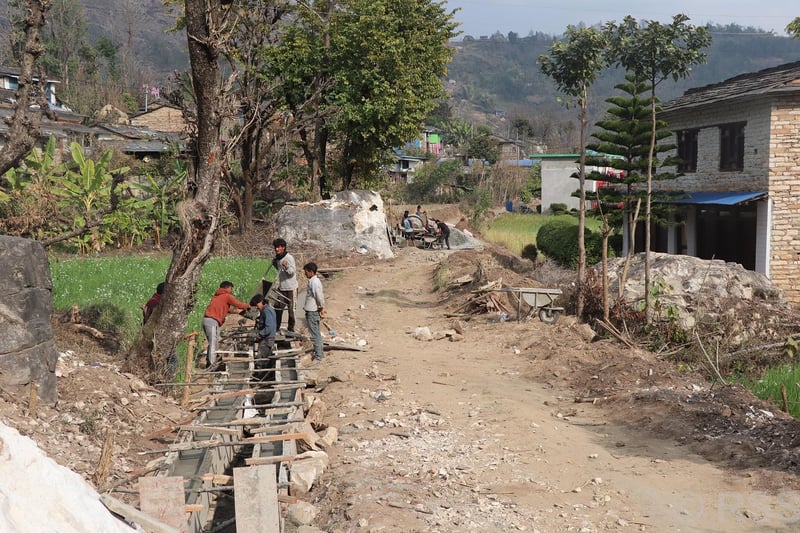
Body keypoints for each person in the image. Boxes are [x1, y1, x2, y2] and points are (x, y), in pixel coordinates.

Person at [202, 281, 250, 367]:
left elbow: (226, 309)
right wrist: (249, 305)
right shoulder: (227, 296)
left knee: (213, 342)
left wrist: (236, 312)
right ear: (227, 288)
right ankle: (212, 364)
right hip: (212, 321)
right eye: (231, 289)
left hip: (208, 321)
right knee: (213, 343)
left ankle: (210, 361)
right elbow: (238, 304)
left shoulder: (217, 296)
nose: (232, 291)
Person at [271, 238, 298, 332]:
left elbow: (292, 272)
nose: (276, 249)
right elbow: (279, 270)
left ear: (283, 247)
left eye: (278, 247)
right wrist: (275, 264)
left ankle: (291, 329)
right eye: (275, 247)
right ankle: (276, 328)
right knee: (278, 308)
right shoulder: (278, 259)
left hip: (291, 288)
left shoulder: (289, 258)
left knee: (291, 310)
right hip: (282, 288)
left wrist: (287, 266)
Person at [249, 293, 277, 380]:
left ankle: (260, 378)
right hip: (267, 338)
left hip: (267, 339)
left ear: (261, 302)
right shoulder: (266, 310)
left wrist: (260, 334)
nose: (257, 307)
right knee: (264, 358)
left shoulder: (267, 311)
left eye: (257, 305)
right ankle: (263, 377)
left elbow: (269, 327)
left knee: (261, 359)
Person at [303, 262, 325, 361]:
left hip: (312, 312)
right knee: (316, 333)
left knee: (315, 334)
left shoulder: (315, 282)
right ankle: (320, 353)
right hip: (311, 311)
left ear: (311, 272)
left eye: (306, 272)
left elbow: (319, 296)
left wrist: (321, 308)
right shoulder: (313, 281)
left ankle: (318, 356)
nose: (305, 274)